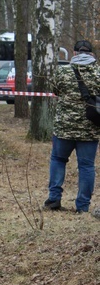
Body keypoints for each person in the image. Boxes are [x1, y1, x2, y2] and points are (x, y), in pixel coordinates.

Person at [44, 39, 100, 214]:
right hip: (90, 129)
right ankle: (82, 206)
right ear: (90, 53)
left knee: (58, 160)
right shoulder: (98, 72)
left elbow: (55, 90)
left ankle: (54, 199)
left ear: (74, 53)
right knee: (86, 166)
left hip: (64, 128)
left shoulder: (63, 71)